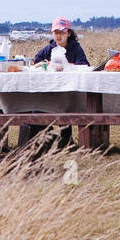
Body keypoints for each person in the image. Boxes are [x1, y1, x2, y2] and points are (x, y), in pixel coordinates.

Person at [21, 16, 90, 153]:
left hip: (70, 90)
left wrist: (66, 65)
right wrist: (44, 64)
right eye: (56, 32)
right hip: (49, 88)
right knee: (38, 108)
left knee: (65, 109)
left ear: (68, 33)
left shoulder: (75, 48)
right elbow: (36, 61)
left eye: (62, 32)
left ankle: (66, 140)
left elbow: (84, 65)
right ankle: (48, 139)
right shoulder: (49, 48)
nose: (58, 36)